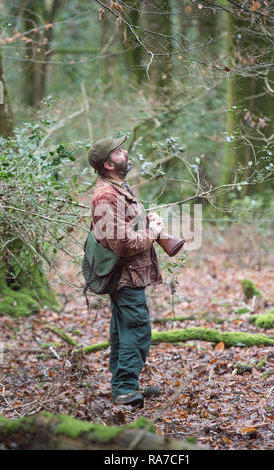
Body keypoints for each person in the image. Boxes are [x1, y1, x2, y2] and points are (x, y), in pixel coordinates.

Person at [88, 134, 164, 407]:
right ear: (108, 164)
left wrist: (147, 220)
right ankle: (124, 389)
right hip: (124, 274)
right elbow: (121, 243)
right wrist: (152, 234)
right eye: (119, 151)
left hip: (128, 273)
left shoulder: (119, 187)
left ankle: (124, 385)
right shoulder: (106, 195)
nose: (126, 152)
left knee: (123, 329)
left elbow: (125, 227)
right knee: (137, 328)